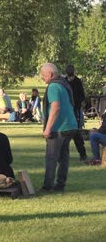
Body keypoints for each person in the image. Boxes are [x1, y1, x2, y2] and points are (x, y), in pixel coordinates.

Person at [39, 63, 77, 193]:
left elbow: (55, 107)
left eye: (43, 75)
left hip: (60, 127)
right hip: (71, 125)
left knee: (51, 157)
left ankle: (48, 186)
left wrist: (48, 128)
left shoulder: (53, 86)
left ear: (50, 74)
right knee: (64, 156)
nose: (42, 78)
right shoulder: (64, 83)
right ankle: (60, 185)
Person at [65, 64, 87, 161]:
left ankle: (83, 154)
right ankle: (63, 156)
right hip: (65, 110)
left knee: (76, 133)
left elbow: (82, 96)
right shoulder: (64, 81)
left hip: (75, 110)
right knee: (64, 134)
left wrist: (76, 104)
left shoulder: (78, 81)